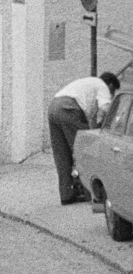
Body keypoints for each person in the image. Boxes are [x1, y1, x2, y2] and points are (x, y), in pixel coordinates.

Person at [48, 72, 121, 203]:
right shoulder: (102, 86)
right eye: (113, 92)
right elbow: (105, 109)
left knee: (62, 155)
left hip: (53, 107)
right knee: (84, 151)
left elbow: (90, 120)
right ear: (110, 85)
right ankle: (90, 193)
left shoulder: (88, 84)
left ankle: (66, 195)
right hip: (69, 108)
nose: (111, 95)